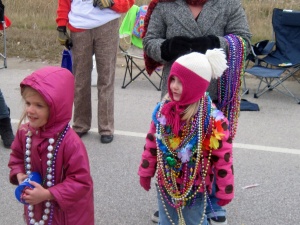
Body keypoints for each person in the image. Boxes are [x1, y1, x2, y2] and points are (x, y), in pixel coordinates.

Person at [142, 0, 251, 223]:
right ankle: (171, 198)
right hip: (176, 93)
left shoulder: (228, 4)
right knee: (172, 146)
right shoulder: (165, 4)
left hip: (218, 91)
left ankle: (213, 201)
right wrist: (166, 47)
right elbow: (149, 42)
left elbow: (244, 42)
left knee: (213, 150)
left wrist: (215, 43)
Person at [138, 50, 234, 225]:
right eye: (172, 79)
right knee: (167, 220)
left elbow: (224, 157)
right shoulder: (164, 109)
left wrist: (225, 188)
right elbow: (152, 142)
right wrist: (146, 171)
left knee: (194, 221)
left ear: (196, 86)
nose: (173, 86)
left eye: (180, 82)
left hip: (195, 188)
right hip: (166, 182)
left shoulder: (213, 118)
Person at [8, 67, 94, 225]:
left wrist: (48, 194)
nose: (30, 110)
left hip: (67, 217)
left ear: (56, 108)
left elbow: (81, 182)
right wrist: (19, 173)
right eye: (28, 103)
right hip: (38, 208)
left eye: (39, 105)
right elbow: (17, 157)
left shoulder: (70, 143)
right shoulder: (24, 133)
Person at [56, 0, 134, 143]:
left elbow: (128, 2)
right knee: (80, 79)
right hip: (79, 26)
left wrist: (112, 3)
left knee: (106, 78)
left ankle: (106, 127)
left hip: (107, 25)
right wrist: (61, 25)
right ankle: (80, 124)